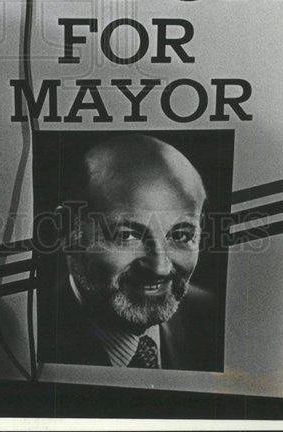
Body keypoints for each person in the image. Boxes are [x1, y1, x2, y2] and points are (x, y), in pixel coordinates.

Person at [38, 134, 220, 371]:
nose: (160, 267)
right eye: (127, 236)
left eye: (181, 235)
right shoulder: (30, 337)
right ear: (66, 231)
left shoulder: (212, 316)